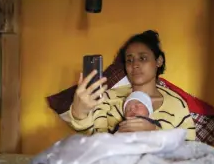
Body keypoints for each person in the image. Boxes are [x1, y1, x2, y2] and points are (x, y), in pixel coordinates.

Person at [67, 30, 196, 140]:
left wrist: (155, 132)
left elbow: (190, 149)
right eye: (129, 60)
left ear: (158, 61)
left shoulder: (177, 104)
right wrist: (80, 113)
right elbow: (93, 141)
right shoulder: (106, 98)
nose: (135, 64)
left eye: (143, 58)